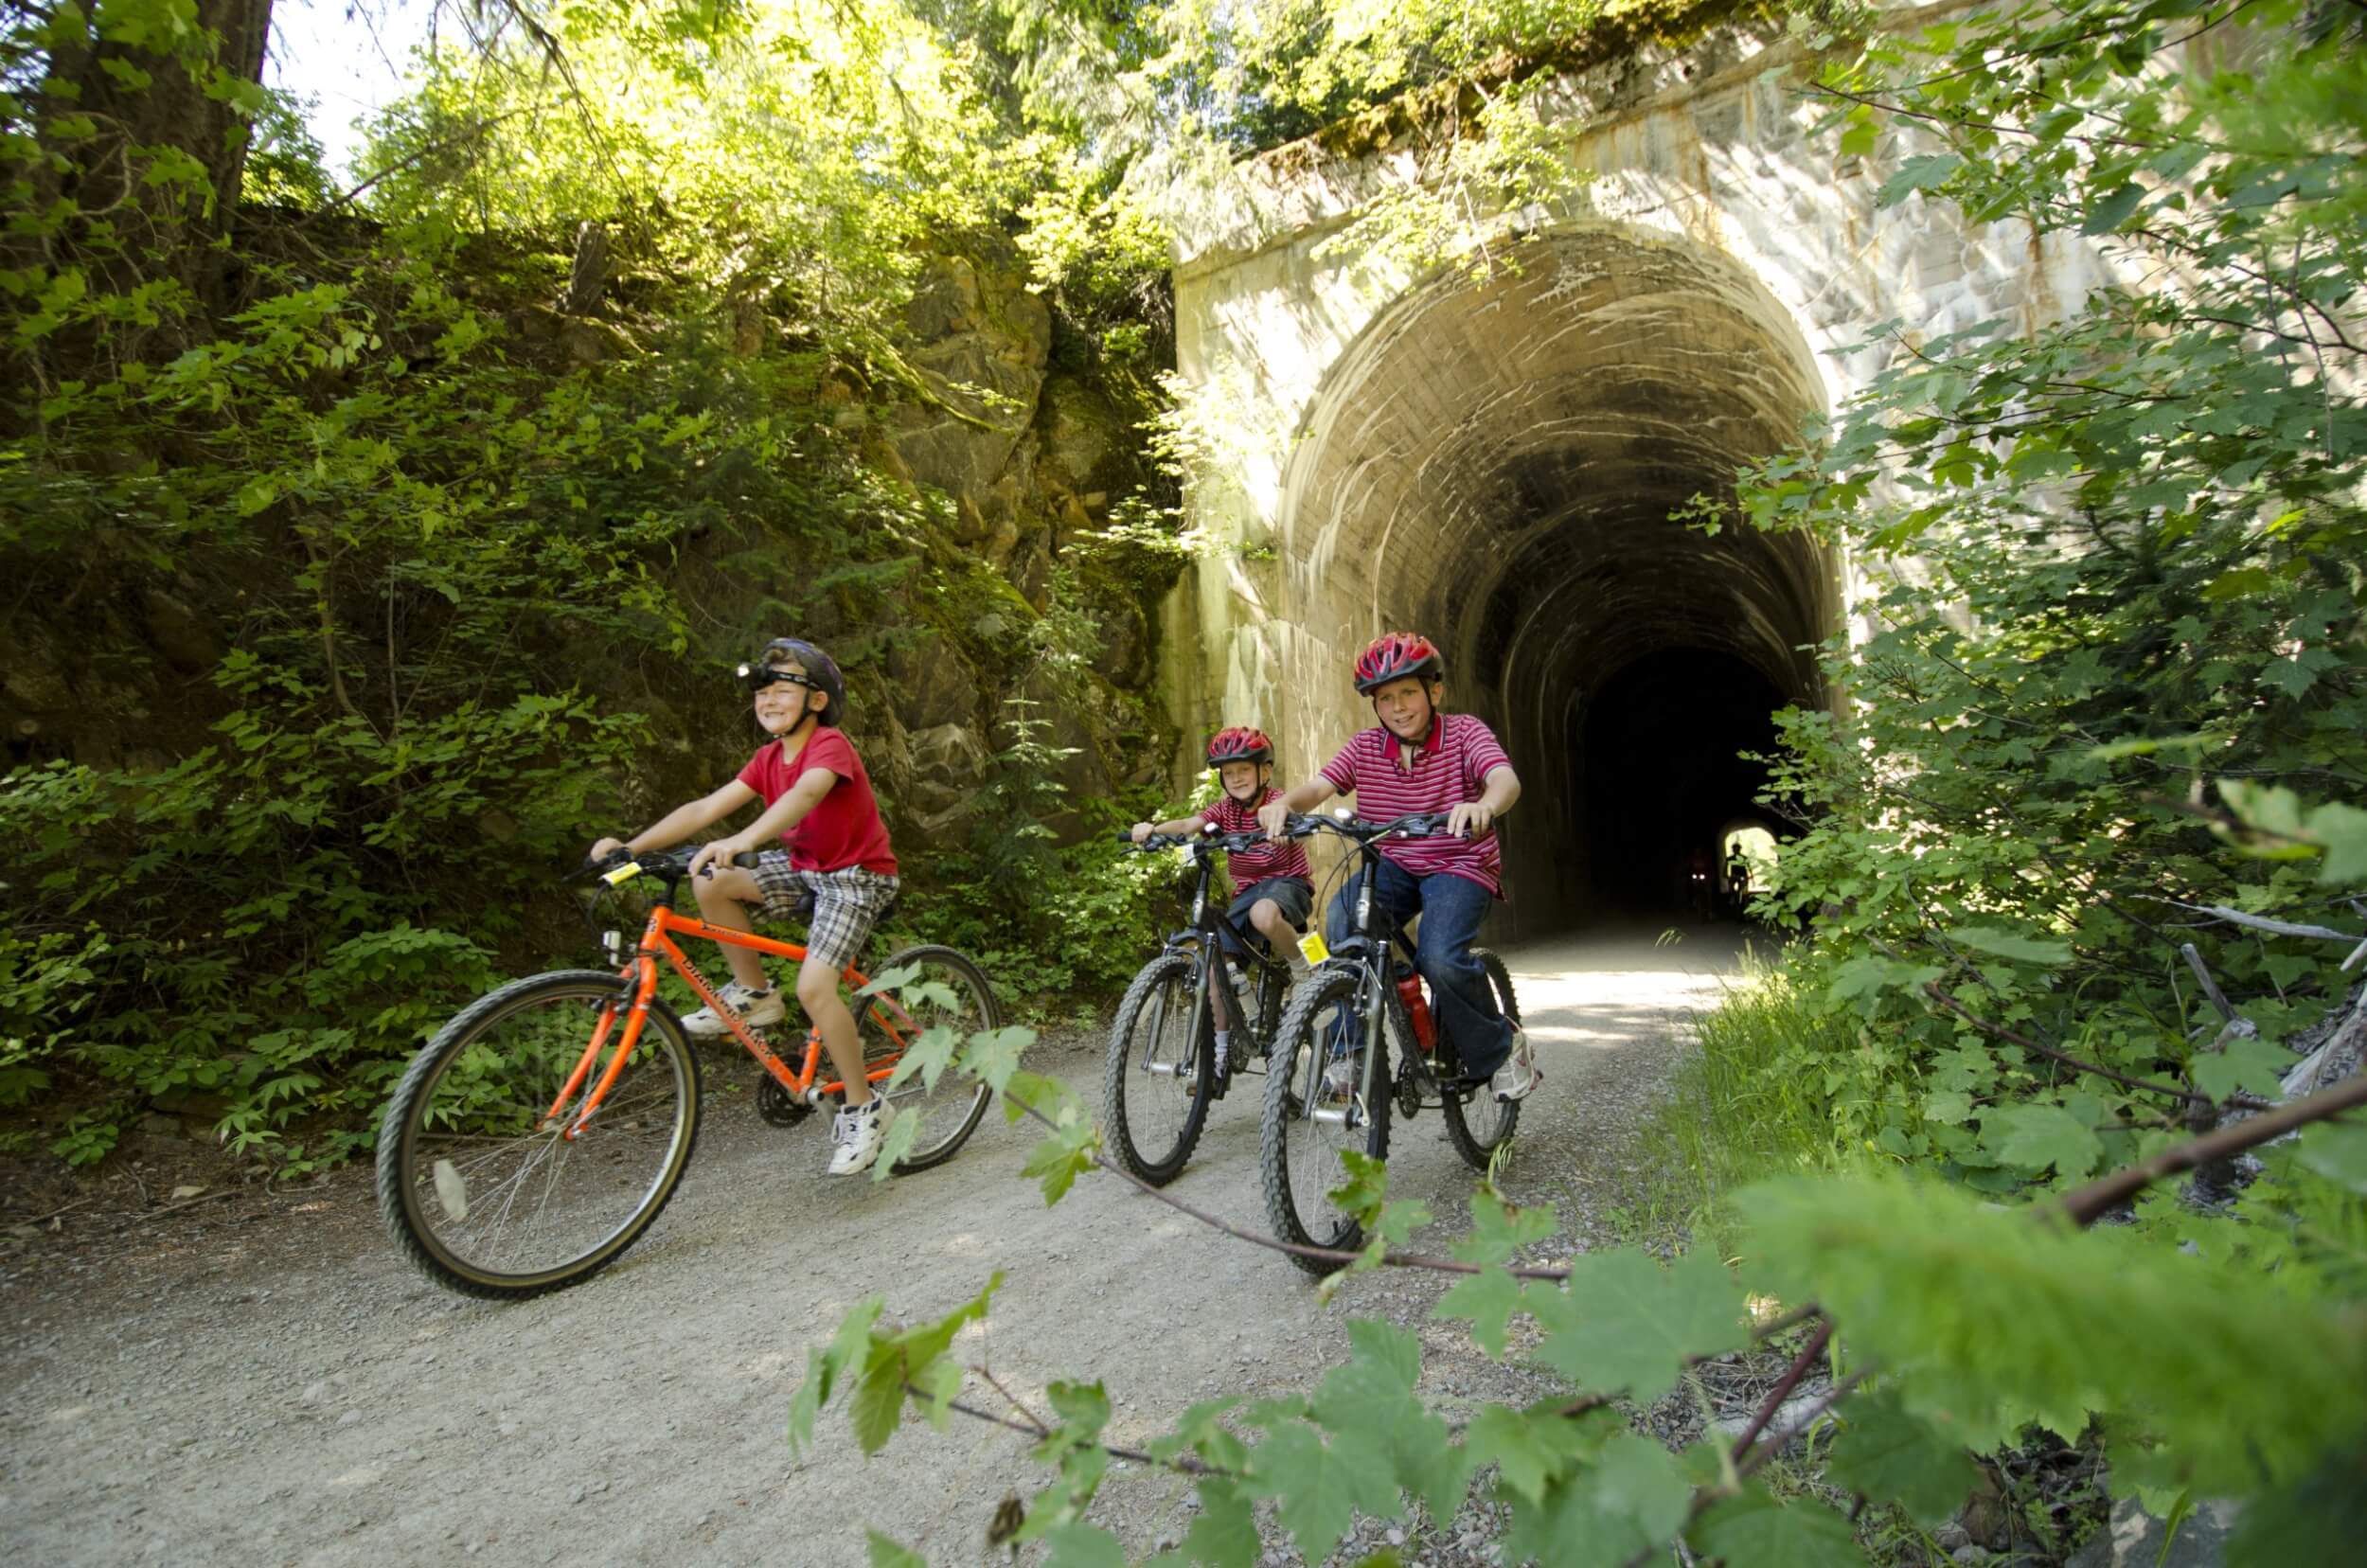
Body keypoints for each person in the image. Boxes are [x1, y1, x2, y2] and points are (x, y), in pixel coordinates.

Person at [589, 637, 901, 1176]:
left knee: (815, 988)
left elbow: (805, 796)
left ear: (817, 701)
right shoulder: (765, 758)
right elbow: (705, 807)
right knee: (711, 880)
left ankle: (865, 1106)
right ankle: (754, 995)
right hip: (807, 869)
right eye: (761, 692)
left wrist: (744, 839)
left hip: (857, 879)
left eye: (782, 689)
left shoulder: (829, 747)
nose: (768, 700)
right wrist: (631, 848)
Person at [1255, 632, 1541, 1102]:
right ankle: (1351, 1054)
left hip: (1459, 861)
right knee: (1344, 925)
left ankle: (1505, 1049)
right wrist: (1284, 803)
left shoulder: (1466, 733)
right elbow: (1319, 787)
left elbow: (1503, 778)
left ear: (1435, 691)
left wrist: (1484, 806)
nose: (1398, 707)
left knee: (1442, 959)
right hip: (1394, 861)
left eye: (1408, 692)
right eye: (1385, 698)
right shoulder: (1366, 747)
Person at [1129, 726, 1315, 1083]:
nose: (1236, 778)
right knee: (1217, 967)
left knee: (1264, 914)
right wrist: (1152, 829)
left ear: (1264, 770)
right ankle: (1221, 1055)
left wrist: (1289, 830)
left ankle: (1300, 966)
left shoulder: (1276, 802)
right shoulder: (1225, 812)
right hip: (1245, 893)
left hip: (1287, 885)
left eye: (1244, 769)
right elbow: (1189, 824)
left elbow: (1300, 825)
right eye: (1228, 773)